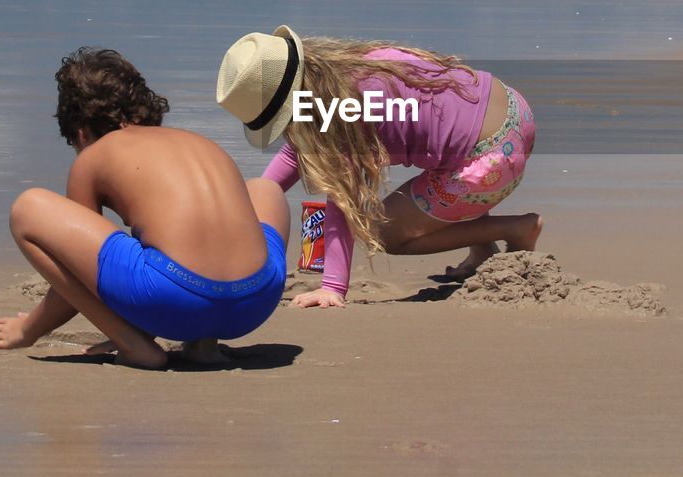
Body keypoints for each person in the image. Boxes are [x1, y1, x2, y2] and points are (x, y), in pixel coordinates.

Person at [0, 48, 288, 368]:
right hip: (255, 301)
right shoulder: (196, 141)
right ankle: (202, 346)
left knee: (28, 208)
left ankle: (133, 344)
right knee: (265, 189)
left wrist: (27, 329)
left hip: (177, 299)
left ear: (81, 132)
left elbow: (77, 274)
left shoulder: (93, 157)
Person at [216, 27, 541, 309]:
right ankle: (482, 249)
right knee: (448, 146)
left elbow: (343, 203)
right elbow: (294, 155)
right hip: (512, 108)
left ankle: (514, 228)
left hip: (492, 159)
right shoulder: (348, 65)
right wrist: (250, 205)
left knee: (384, 234)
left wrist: (332, 287)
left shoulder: (344, 116)